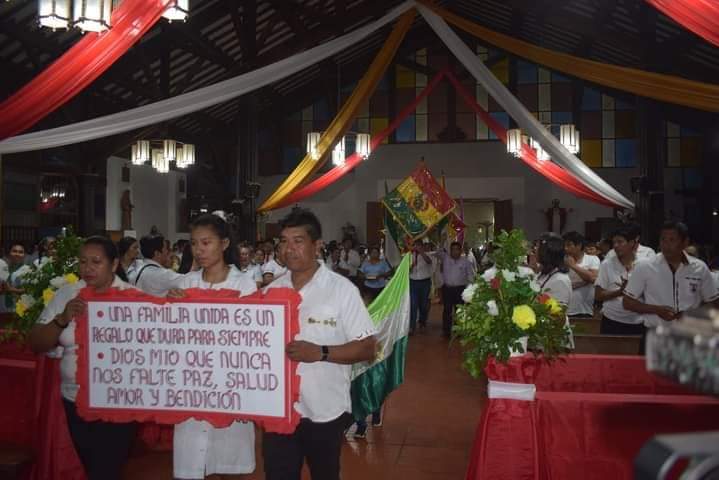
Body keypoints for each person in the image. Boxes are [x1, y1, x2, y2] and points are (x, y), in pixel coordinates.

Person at [263, 208, 377, 480]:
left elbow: (368, 347)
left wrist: (321, 353)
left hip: (324, 410)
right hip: (278, 409)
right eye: (283, 241)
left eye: (298, 241)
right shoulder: (270, 292)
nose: (289, 249)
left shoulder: (341, 290)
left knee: (325, 474)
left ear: (317, 246)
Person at [28, 237, 137, 480]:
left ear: (114, 263)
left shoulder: (133, 297)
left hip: (119, 401)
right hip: (74, 399)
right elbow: (35, 342)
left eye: (96, 262)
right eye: (83, 262)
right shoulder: (67, 294)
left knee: (106, 469)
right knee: (91, 466)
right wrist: (62, 319)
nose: (87, 268)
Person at [167, 213, 257, 479]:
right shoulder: (185, 284)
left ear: (225, 243)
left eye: (206, 243)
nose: (199, 250)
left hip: (230, 387)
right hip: (192, 387)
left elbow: (254, 338)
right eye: (194, 244)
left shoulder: (244, 285)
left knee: (228, 464)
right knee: (192, 464)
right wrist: (170, 309)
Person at [624, 222, 719, 347]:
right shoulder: (645, 266)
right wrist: (656, 310)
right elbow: (627, 302)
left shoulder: (699, 268)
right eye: (663, 239)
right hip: (655, 335)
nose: (666, 245)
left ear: (685, 242)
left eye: (672, 240)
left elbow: (713, 302)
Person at [595, 227, 645, 336]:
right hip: (611, 320)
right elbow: (598, 295)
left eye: (620, 242)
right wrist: (620, 291)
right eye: (614, 242)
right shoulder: (607, 264)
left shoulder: (644, 264)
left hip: (638, 321)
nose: (616, 246)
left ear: (632, 243)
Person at [536, 233, 574, 348]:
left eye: (537, 247)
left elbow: (558, 318)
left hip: (554, 343)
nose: (535, 250)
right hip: (543, 338)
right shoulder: (543, 274)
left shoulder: (560, 280)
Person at [436, 242, 476, 337]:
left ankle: (458, 331)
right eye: (453, 249)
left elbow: (470, 276)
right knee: (447, 310)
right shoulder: (445, 258)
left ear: (460, 251)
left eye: (457, 249)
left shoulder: (466, 262)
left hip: (460, 289)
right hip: (448, 289)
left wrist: (469, 290)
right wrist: (442, 241)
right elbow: (438, 252)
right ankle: (446, 331)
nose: (455, 251)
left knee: (459, 311)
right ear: (450, 251)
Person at [563, 231, 600, 319]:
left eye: (569, 245)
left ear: (579, 245)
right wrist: (583, 282)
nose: (565, 248)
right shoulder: (562, 260)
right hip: (564, 309)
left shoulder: (592, 259)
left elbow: (593, 278)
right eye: (564, 245)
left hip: (584, 310)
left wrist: (573, 266)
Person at [409, 239, 434, 335]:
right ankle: (412, 326)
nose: (417, 247)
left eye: (419, 245)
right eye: (415, 245)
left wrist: (421, 253)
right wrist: (412, 265)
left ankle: (422, 321)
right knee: (413, 304)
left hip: (424, 283)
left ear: (422, 246)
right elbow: (406, 270)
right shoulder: (409, 256)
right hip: (413, 282)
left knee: (423, 305)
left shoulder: (427, 254)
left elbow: (429, 262)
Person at [1, 242, 28, 313]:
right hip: (2, 308)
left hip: (19, 309)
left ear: (24, 255)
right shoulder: (3, 268)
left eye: (21, 252)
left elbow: (28, 290)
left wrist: (10, 289)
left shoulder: (28, 271)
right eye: (14, 251)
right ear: (9, 254)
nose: (17, 254)